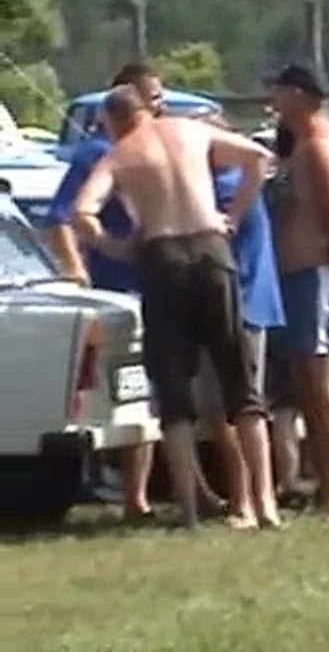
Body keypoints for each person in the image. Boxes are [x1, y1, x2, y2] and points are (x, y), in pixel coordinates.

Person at [71, 85, 280, 530]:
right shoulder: (192, 131)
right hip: (211, 247)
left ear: (112, 122)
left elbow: (82, 213)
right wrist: (234, 216)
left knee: (174, 390)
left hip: (161, 254)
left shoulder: (120, 154)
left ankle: (188, 509)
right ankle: (265, 504)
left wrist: (116, 245)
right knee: (240, 383)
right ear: (149, 110)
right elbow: (258, 159)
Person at [44, 62, 165, 522]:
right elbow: (60, 220)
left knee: (146, 392)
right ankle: (110, 485)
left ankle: (138, 496)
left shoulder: (155, 150)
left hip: (152, 286)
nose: (160, 107)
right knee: (114, 395)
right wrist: (79, 273)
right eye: (153, 98)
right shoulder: (95, 153)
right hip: (112, 293)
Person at [267, 62, 329, 522]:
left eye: (279, 92)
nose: (273, 101)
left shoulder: (320, 148)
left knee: (323, 393)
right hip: (296, 279)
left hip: (315, 277)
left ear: (302, 95)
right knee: (306, 391)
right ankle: (327, 489)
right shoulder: (301, 148)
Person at [189, 111, 287, 530]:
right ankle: (247, 499)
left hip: (241, 307)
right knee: (224, 411)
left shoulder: (226, 187)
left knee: (239, 408)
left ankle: (249, 501)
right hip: (230, 306)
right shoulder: (220, 185)